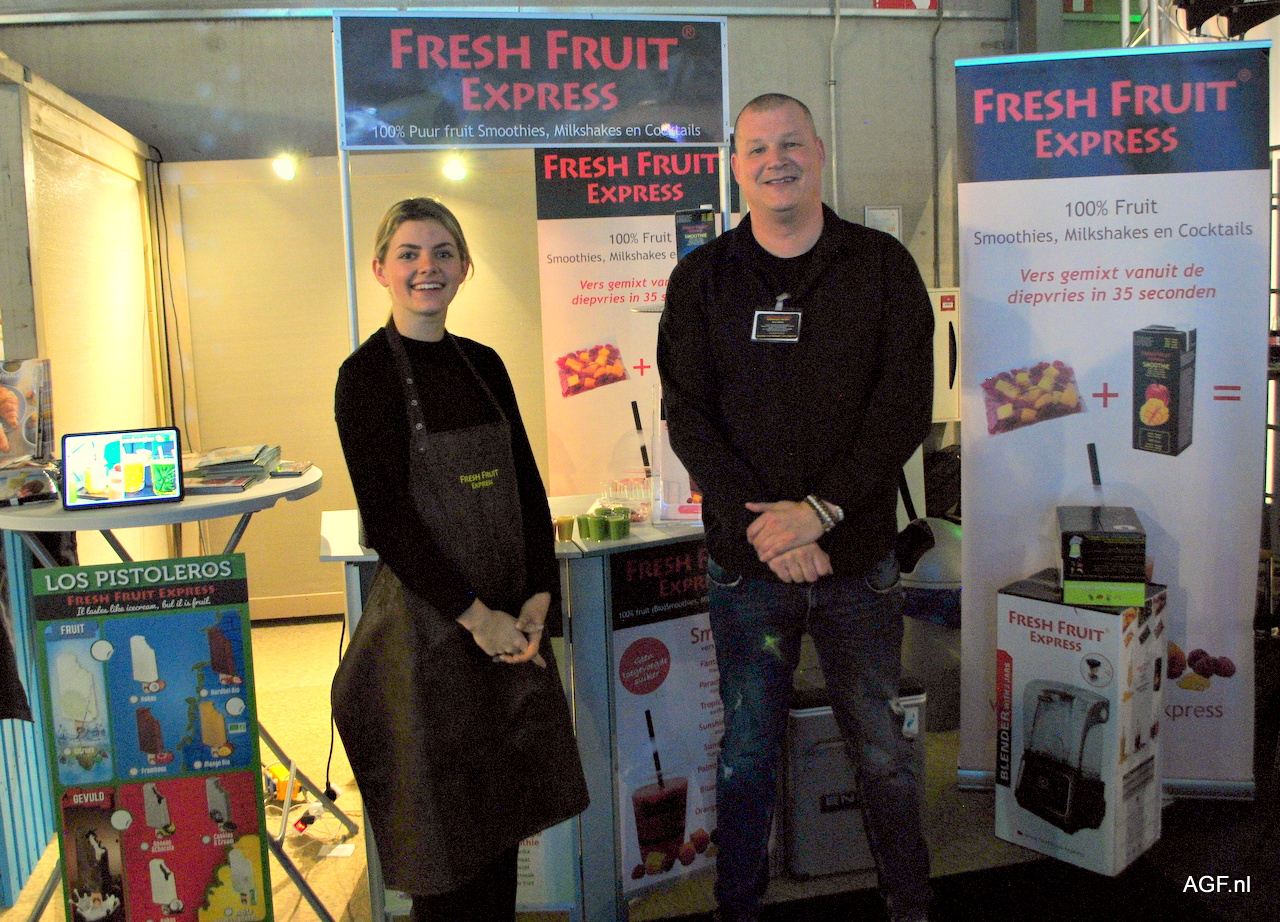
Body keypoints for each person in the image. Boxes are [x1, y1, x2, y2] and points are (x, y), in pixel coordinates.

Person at [657, 94, 935, 922]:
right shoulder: (702, 279)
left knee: (882, 751)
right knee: (746, 751)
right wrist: (771, 530)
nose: (774, 160)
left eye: (790, 144)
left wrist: (818, 511)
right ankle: (737, 907)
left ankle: (910, 904)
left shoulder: (882, 267)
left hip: (857, 566)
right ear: (735, 166)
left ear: (818, 151)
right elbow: (688, 418)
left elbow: (902, 410)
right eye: (756, 149)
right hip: (750, 570)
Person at [332, 197, 589, 922]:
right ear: (380, 269)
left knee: (503, 814)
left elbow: (527, 487)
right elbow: (390, 522)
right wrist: (478, 618)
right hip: (432, 633)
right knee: (442, 829)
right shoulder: (365, 377)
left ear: (465, 267)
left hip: (508, 623)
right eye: (409, 253)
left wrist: (537, 596)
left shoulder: (484, 364)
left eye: (443, 252)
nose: (428, 267)